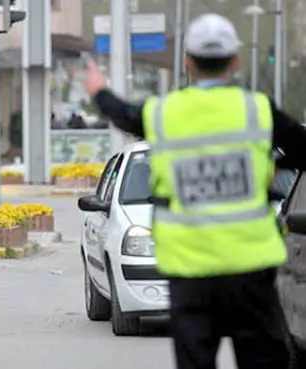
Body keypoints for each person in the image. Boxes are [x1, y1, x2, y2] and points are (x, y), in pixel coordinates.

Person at [83, 13, 306, 369]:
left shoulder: (164, 113)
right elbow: (302, 148)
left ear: (188, 61)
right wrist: (274, 173)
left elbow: (123, 114)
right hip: (251, 269)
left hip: (190, 273)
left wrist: (97, 88)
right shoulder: (257, 110)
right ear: (235, 60)